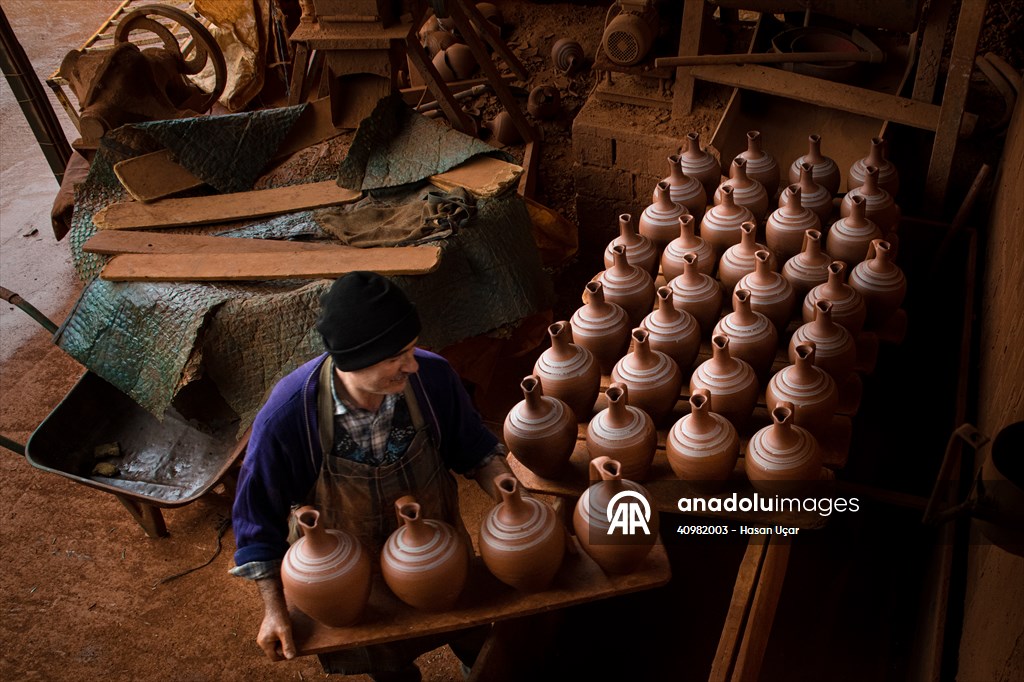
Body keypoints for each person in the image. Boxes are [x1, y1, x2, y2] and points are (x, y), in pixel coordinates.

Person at [231, 271, 514, 681]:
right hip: (352, 582)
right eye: (397, 356)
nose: (412, 364)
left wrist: (505, 487)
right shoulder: (289, 415)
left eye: (413, 349)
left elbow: (475, 449)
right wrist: (275, 611)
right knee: (386, 661)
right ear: (355, 358)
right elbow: (257, 522)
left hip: (440, 556)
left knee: (474, 635)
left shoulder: (431, 378)